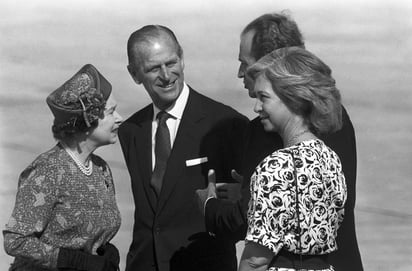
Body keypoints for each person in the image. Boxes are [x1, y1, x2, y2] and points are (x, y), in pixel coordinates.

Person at [198, 12, 363, 270]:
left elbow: (251, 241)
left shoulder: (268, 138)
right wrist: (252, 193)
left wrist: (209, 206)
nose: (241, 72)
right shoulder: (335, 117)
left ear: (272, 62)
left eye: (246, 62)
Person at [118, 25, 248, 271]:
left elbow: (245, 214)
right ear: (134, 74)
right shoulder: (131, 131)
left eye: (171, 62)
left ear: (182, 58)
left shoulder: (226, 124)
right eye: (154, 68)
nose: (166, 76)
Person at [3, 64, 123, 271]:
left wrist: (104, 249)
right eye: (111, 112)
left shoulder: (100, 169)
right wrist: (73, 261)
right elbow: (16, 241)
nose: (120, 118)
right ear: (88, 122)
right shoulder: (47, 171)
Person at [238, 46, 347, 270]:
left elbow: (255, 261)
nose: (256, 107)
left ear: (293, 99)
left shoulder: (276, 166)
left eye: (264, 97)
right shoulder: (330, 158)